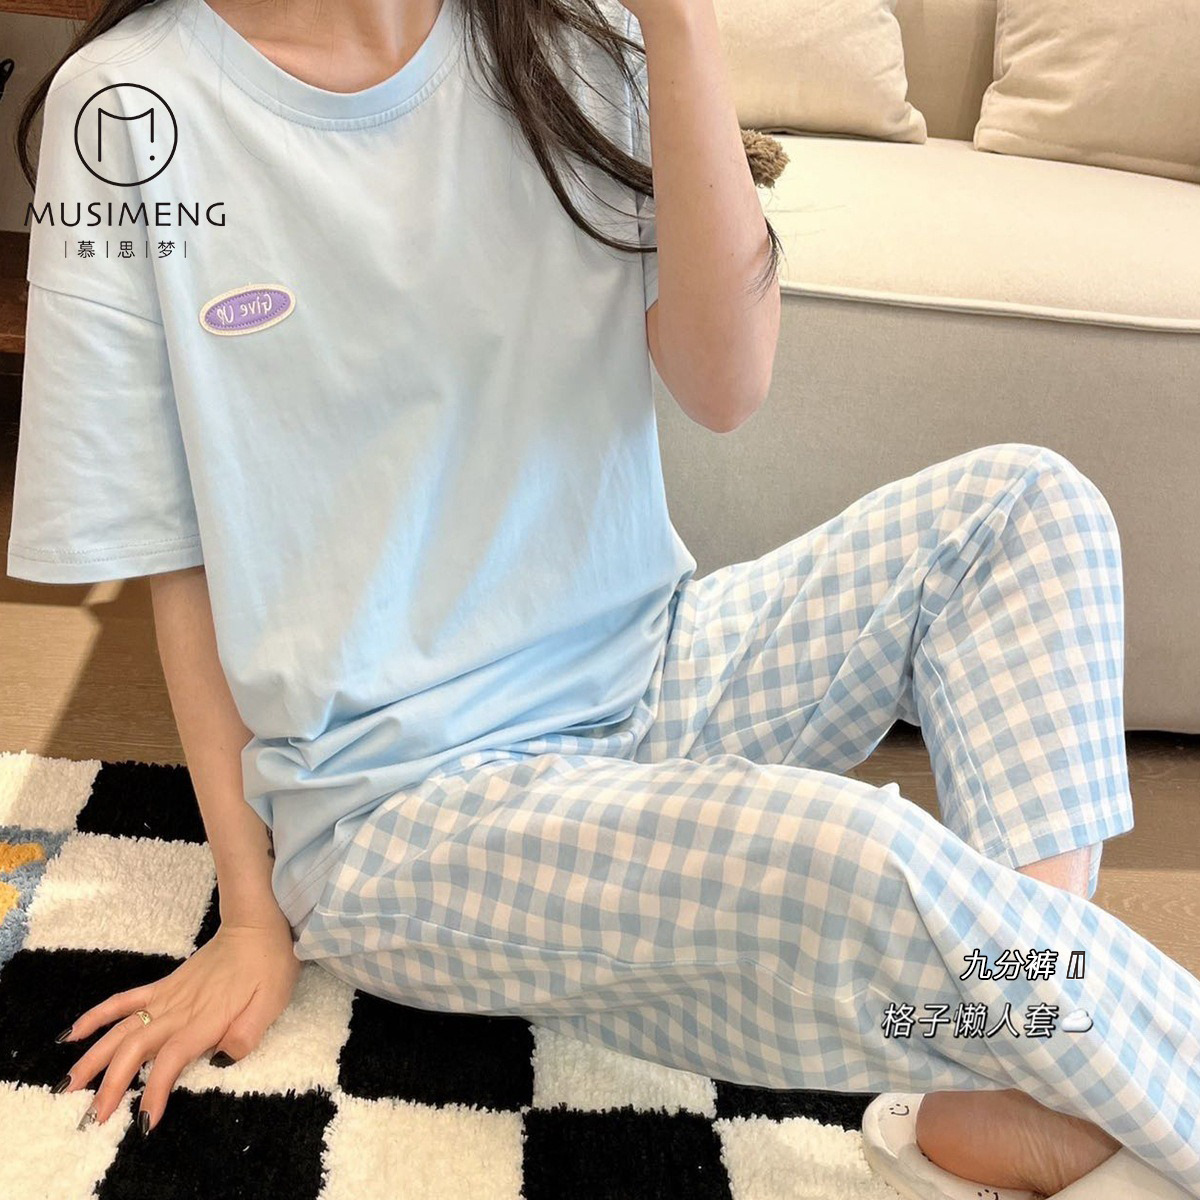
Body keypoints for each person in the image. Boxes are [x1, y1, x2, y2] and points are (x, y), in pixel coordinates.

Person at [8, 0, 1199, 1195]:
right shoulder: (130, 108)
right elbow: (179, 556)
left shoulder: (579, 40)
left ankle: (1018, 1064)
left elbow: (725, 386)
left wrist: (679, 25)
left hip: (654, 668)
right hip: (403, 809)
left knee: (1025, 512)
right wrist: (252, 914)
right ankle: (1067, 1053)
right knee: (851, 856)